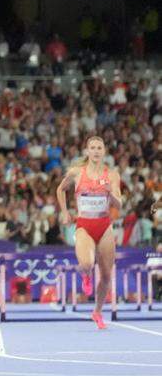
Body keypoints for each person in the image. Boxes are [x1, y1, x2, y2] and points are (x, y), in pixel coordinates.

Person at [56, 136, 122, 329]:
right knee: (86, 262)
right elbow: (60, 190)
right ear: (87, 151)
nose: (95, 151)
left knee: (107, 275)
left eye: (99, 148)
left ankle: (98, 312)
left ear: (104, 151)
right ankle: (85, 274)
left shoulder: (112, 175)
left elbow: (120, 204)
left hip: (104, 225)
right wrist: (65, 212)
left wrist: (110, 193)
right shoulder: (76, 173)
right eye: (92, 147)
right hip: (84, 224)